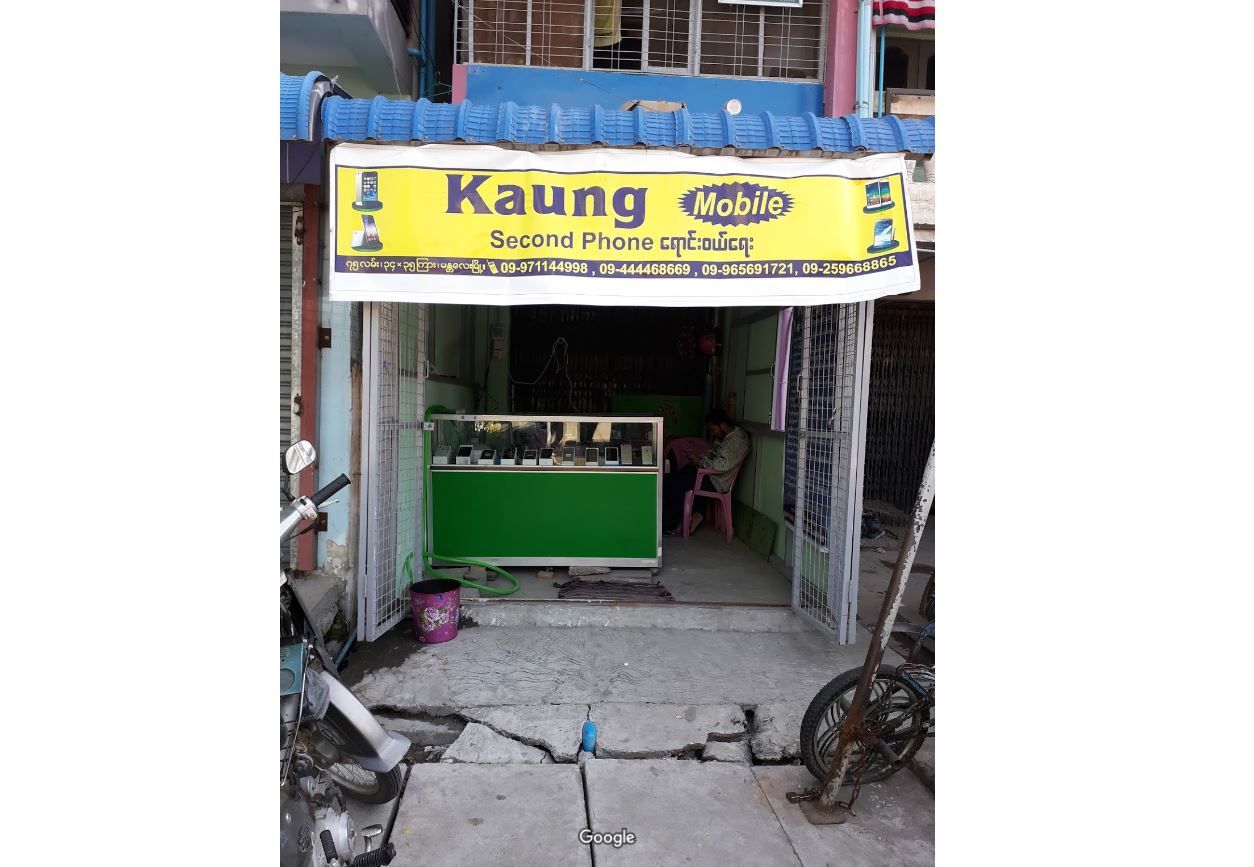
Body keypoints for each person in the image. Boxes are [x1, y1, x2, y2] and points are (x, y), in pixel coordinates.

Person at [661, 409, 750, 535]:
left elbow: (722, 465)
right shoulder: (724, 437)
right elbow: (713, 456)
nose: (712, 434)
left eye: (713, 429)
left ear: (722, 425)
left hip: (716, 481)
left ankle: (671, 522)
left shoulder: (737, 441)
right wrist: (699, 458)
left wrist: (701, 462)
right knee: (673, 477)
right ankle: (688, 513)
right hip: (707, 474)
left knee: (669, 483)